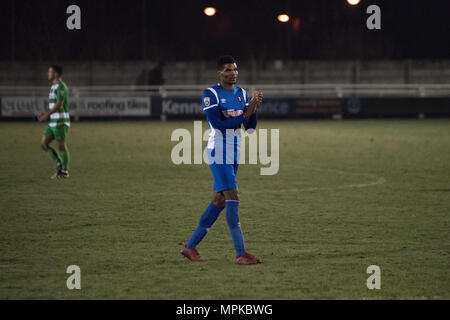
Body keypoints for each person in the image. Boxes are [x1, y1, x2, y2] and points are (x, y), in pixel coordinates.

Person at [181, 56, 263, 265]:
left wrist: (254, 109)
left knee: (219, 201)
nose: (233, 73)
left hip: (235, 150)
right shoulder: (211, 94)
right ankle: (240, 253)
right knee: (233, 197)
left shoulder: (242, 93)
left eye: (235, 69)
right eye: (228, 70)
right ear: (220, 73)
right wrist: (245, 112)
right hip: (218, 150)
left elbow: (250, 128)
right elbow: (218, 125)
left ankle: (190, 247)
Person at [38, 65, 71, 179]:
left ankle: (64, 172)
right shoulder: (53, 87)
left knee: (61, 147)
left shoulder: (62, 87)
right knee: (44, 144)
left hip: (61, 121)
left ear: (56, 74)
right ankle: (59, 163)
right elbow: (52, 105)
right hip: (53, 121)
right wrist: (45, 113)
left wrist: (46, 115)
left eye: (50, 71)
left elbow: (58, 105)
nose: (48, 73)